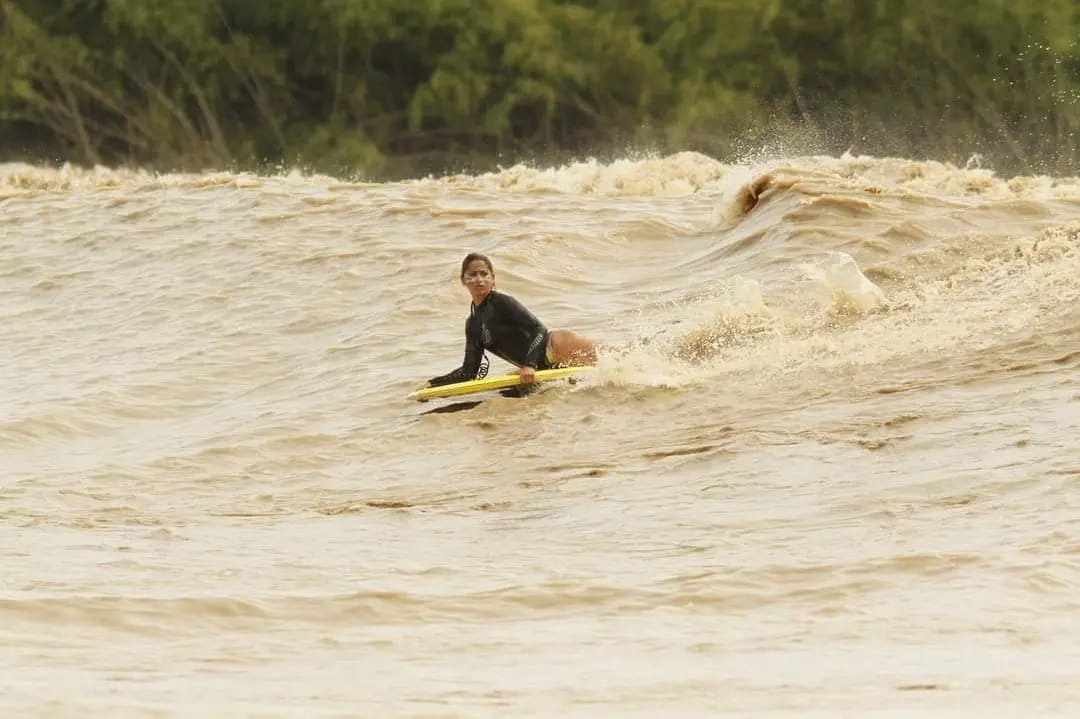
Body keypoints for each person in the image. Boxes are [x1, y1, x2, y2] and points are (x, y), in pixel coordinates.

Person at [424, 253, 598, 388]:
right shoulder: (472, 325)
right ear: (463, 280)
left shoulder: (501, 302)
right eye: (472, 274)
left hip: (556, 347)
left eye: (484, 274)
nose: (479, 279)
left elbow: (539, 329)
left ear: (493, 279)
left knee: (615, 362)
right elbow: (469, 372)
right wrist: (433, 384)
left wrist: (530, 365)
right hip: (541, 366)